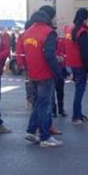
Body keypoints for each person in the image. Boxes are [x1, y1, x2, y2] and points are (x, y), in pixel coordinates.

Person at [21, 10, 64, 148]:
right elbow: (49, 55)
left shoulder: (27, 33)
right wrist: (58, 73)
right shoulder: (48, 32)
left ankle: (31, 130)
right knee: (45, 106)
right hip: (45, 73)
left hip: (33, 73)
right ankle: (45, 137)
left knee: (39, 104)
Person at [65, 7, 88, 125]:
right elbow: (85, 53)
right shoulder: (82, 32)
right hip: (80, 65)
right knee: (79, 92)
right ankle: (76, 116)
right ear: (86, 18)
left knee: (78, 91)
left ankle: (79, 114)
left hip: (72, 64)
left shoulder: (69, 29)